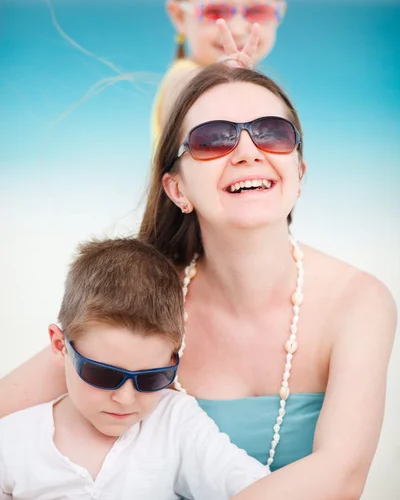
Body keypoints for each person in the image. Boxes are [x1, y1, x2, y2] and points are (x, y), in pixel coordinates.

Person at [0, 64, 397, 499]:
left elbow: (342, 478)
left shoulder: (359, 302)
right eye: (213, 138)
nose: (248, 151)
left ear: (299, 172)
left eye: (272, 132)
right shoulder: (144, 301)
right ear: (176, 189)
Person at [0, 237, 271, 499]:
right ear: (60, 346)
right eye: (104, 374)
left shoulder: (174, 423)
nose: (125, 398)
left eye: (152, 379)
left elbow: (259, 488)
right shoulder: (13, 442)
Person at [151, 0, 286, 146]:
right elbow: (188, 97)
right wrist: (223, 83)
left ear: (277, 14)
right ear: (180, 17)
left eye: (256, 11)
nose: (236, 28)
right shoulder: (181, 78)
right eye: (215, 11)